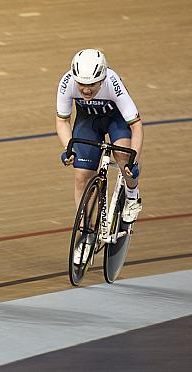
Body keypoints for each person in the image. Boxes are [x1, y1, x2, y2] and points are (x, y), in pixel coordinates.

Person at [56, 49, 143, 263]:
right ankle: (87, 233)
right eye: (81, 85)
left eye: (92, 85)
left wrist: (134, 160)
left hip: (116, 119)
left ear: (102, 78)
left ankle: (132, 196)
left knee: (123, 156)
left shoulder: (112, 84)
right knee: (81, 177)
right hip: (88, 121)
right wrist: (69, 148)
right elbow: (62, 120)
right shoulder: (66, 83)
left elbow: (136, 125)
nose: (85, 90)